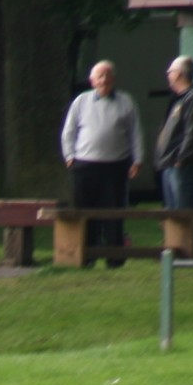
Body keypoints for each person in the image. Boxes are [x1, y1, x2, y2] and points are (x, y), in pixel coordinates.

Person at [59, 60, 144, 267]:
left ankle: (115, 258)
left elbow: (136, 133)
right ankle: (86, 257)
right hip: (85, 166)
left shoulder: (126, 101)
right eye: (99, 76)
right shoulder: (81, 101)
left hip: (116, 166)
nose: (104, 80)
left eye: (107, 76)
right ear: (92, 80)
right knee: (85, 213)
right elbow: (68, 132)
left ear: (113, 79)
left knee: (114, 212)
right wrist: (70, 156)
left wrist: (138, 160)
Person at [155, 55, 193, 212]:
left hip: (182, 165)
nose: (168, 75)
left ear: (179, 74)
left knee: (185, 211)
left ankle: (190, 238)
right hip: (169, 163)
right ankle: (176, 238)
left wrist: (181, 158)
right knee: (172, 213)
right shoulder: (179, 98)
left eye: (170, 71)